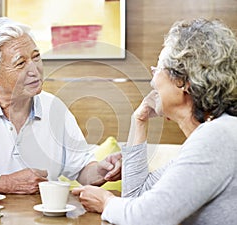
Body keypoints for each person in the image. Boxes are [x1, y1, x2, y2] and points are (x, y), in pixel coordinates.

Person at [72, 18, 237, 225]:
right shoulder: (212, 135)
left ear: (183, 80)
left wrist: (106, 202)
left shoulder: (217, 138)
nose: (152, 81)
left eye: (158, 69)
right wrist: (138, 120)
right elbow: (136, 196)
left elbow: (147, 218)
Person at [0, 17, 121, 195]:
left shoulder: (54, 108)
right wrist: (6, 183)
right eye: (21, 63)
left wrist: (103, 171)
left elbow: (82, 170)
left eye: (36, 57)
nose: (34, 70)